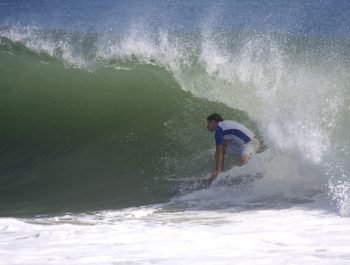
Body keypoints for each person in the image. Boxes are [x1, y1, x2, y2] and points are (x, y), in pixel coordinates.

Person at [207, 113, 260, 180]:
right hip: (241, 145)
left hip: (251, 143)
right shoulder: (224, 125)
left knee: (243, 162)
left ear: (213, 121)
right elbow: (221, 149)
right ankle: (220, 173)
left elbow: (219, 149)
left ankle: (251, 177)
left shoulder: (219, 128)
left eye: (208, 123)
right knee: (221, 148)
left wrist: (217, 170)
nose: (207, 126)